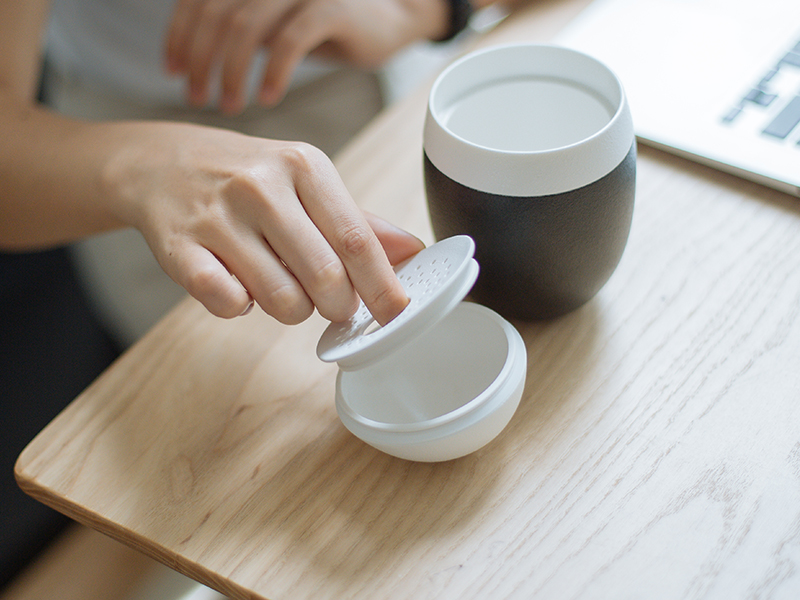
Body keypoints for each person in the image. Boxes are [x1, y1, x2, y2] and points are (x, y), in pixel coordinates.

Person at [0, 0, 504, 589]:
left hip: (396, 86)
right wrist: (146, 166)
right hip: (131, 156)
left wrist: (430, 10)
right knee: (268, 505)